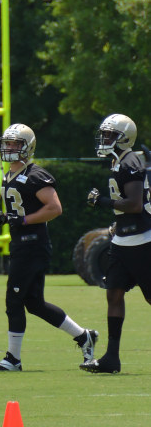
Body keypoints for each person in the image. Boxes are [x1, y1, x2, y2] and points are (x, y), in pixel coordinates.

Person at [0, 123, 98, 373]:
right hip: (22, 245)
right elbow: (21, 209)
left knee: (14, 299)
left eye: (15, 143)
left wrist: (21, 220)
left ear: (27, 147)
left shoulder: (36, 175)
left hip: (32, 246)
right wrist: (5, 217)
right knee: (34, 303)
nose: (9, 148)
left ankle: (13, 359)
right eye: (8, 143)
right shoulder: (8, 174)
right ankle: (84, 336)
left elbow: (54, 208)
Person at [80, 113, 151, 374]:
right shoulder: (118, 160)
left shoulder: (130, 160)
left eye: (110, 134)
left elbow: (134, 204)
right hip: (123, 240)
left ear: (125, 137)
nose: (105, 138)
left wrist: (103, 202)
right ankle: (111, 358)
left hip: (143, 241)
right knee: (114, 292)